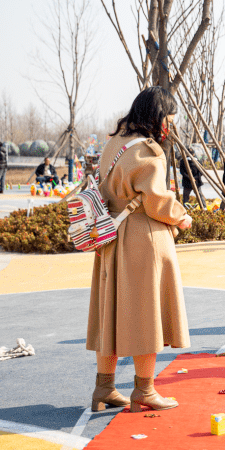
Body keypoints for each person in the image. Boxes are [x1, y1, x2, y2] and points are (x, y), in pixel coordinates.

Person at [86, 86, 192, 414]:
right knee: (147, 316)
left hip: (110, 235)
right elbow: (155, 200)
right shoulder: (148, 150)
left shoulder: (114, 143)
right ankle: (145, 391)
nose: (170, 126)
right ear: (157, 116)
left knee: (112, 313)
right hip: (142, 237)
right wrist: (181, 216)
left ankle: (104, 387)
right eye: (169, 119)